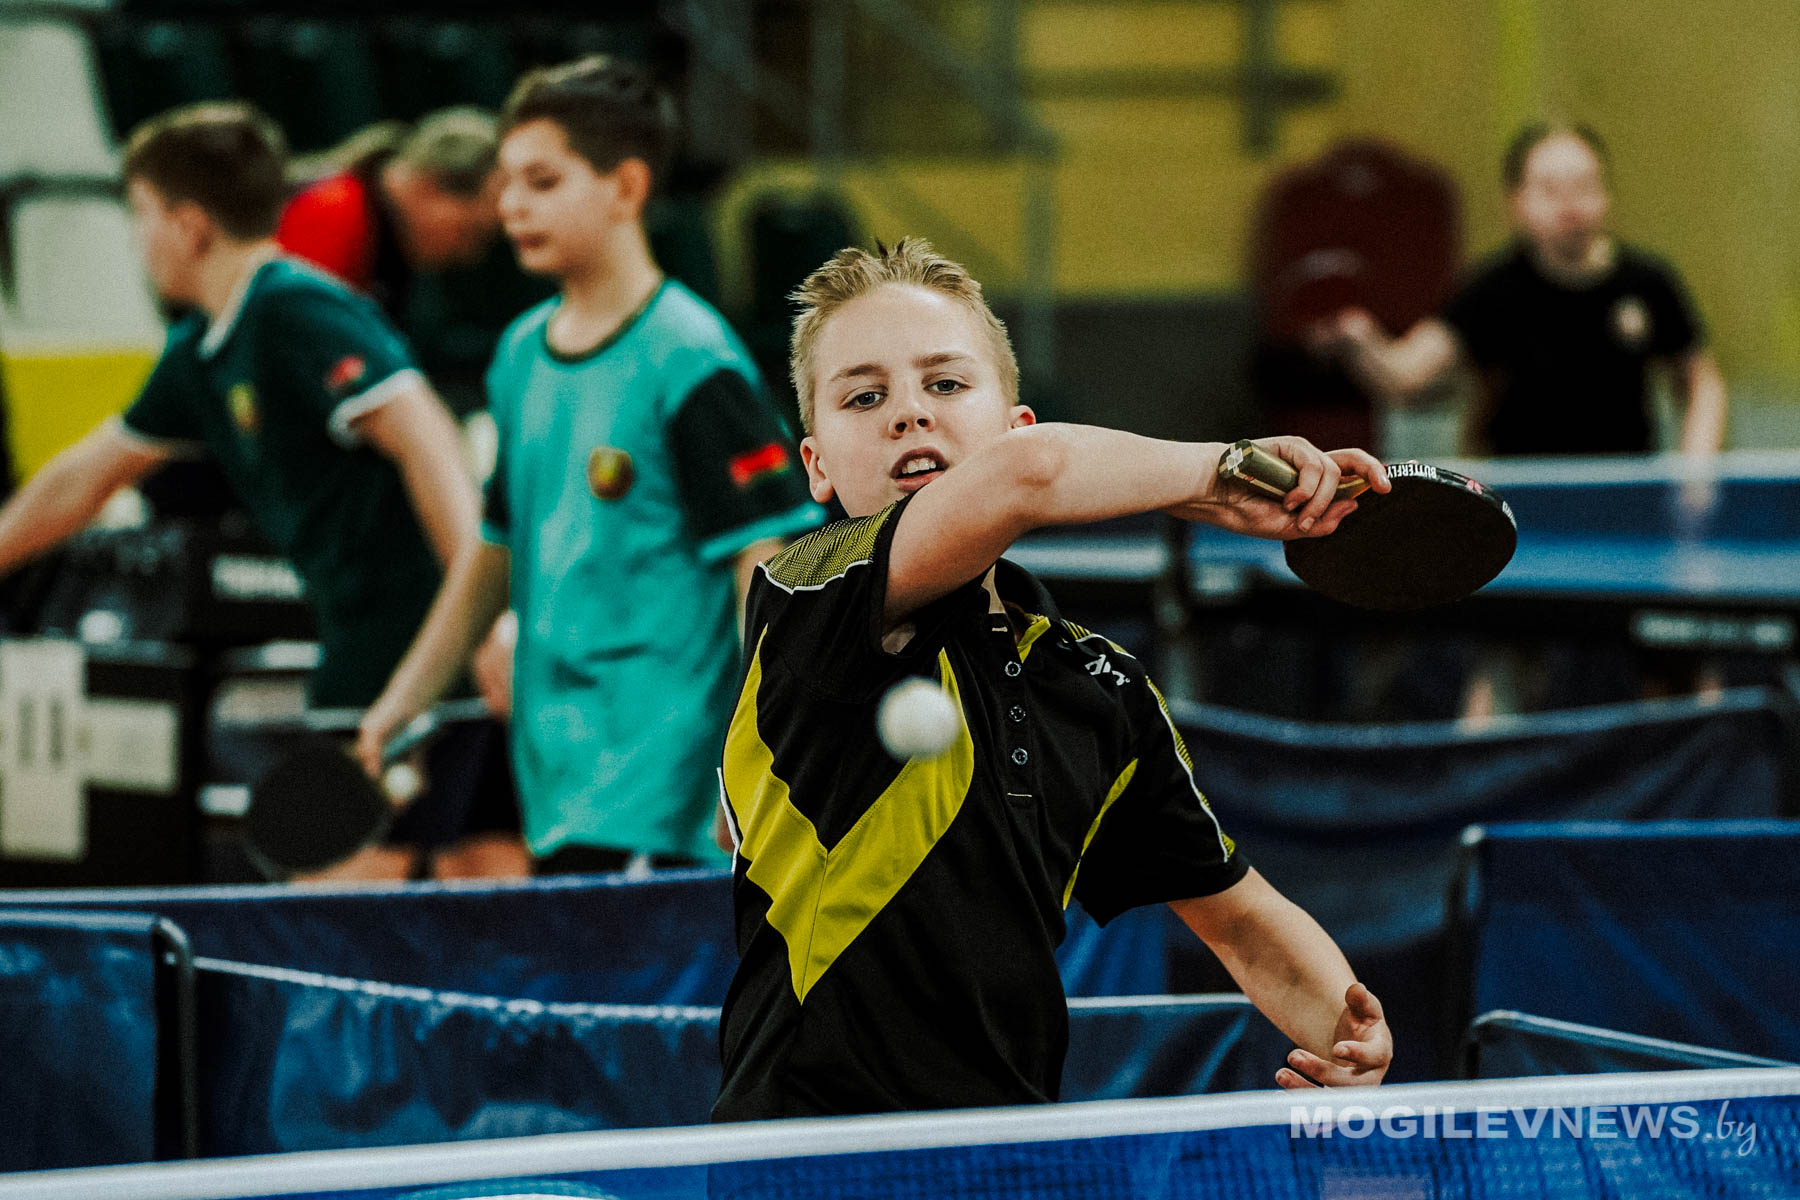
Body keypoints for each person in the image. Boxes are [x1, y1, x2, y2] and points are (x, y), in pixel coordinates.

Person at [713, 239, 1395, 1120]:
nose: (909, 414)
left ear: (1018, 423)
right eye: (864, 396)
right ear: (815, 466)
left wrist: (1345, 1030)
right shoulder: (808, 594)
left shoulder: (1098, 690)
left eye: (945, 384)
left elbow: (1240, 919)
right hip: (807, 1154)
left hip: (1011, 1154)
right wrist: (1219, 473)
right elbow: (1027, 480)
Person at [0, 102, 523, 881]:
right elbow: (83, 479)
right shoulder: (199, 351)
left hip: (409, 639)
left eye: (141, 214)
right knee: (478, 873)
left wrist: (480, 622)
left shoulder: (292, 307)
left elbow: (428, 437)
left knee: (351, 891)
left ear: (189, 226)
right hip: (367, 637)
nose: (137, 239)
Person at [358, 57, 824, 875]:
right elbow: (495, 552)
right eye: (506, 183)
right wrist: (405, 699)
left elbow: (764, 568)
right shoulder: (519, 355)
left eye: (543, 182)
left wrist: (761, 748)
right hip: (555, 782)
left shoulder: (690, 359)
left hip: (667, 790)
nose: (512, 205)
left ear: (626, 188)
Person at [1315, 122, 1728, 458]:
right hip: (1520, 500)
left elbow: (1701, 383)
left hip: (1626, 502)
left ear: (1605, 194)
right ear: (1516, 201)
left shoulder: (1649, 283)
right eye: (1550, 190)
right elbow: (1407, 375)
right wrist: (1360, 340)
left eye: (1584, 186)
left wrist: (1695, 475)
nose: (1570, 205)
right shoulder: (1491, 290)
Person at [277, 108, 501, 317]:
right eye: (473, 233)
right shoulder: (335, 212)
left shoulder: (383, 235)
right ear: (429, 184)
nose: (469, 255)